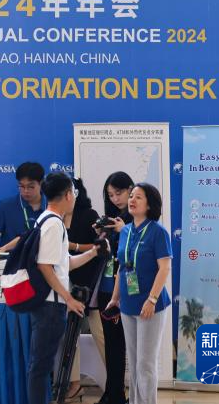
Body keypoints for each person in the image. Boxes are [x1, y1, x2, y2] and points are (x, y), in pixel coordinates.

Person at [27, 172, 101, 404]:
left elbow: (63, 263)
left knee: (42, 365)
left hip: (49, 304)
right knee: (41, 367)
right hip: (50, 306)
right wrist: (68, 297)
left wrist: (94, 252)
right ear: (68, 195)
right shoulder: (53, 224)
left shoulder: (48, 220)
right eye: (74, 193)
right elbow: (45, 266)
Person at [106, 183, 172, 404]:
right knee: (134, 365)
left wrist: (152, 299)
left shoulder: (158, 232)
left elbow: (164, 268)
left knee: (145, 364)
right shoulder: (125, 230)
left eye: (139, 197)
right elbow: (122, 268)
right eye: (131, 196)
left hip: (150, 306)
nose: (132, 200)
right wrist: (115, 298)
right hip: (128, 305)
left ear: (150, 204)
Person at [93, 171, 134, 404]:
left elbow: (138, 252)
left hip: (127, 289)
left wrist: (123, 230)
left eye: (119, 193)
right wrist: (102, 234)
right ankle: (113, 392)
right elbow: (104, 254)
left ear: (130, 190)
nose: (115, 199)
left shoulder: (136, 219)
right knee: (112, 344)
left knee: (122, 345)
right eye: (110, 195)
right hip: (106, 287)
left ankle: (118, 394)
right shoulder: (112, 218)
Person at [63, 178, 104, 401]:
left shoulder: (89, 215)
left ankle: (116, 383)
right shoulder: (55, 217)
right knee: (69, 336)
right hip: (64, 283)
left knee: (100, 333)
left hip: (90, 282)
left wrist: (74, 247)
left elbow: (100, 246)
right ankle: (74, 383)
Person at [0, 162, 46, 259]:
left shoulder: (51, 206)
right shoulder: (6, 206)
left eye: (31, 187)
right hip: (11, 265)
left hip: (42, 264)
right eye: (21, 186)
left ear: (41, 183)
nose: (26, 191)